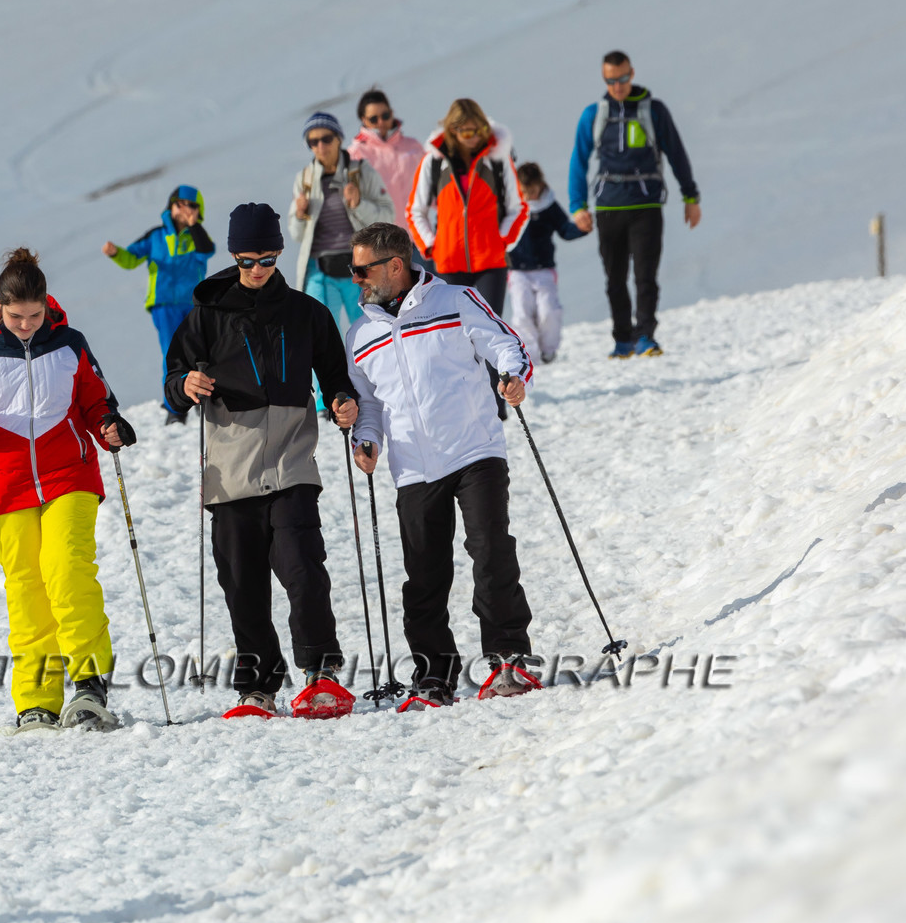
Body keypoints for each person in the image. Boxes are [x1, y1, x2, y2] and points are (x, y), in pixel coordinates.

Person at [164, 202, 360, 717]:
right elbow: (173, 383)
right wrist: (185, 385)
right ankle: (259, 687)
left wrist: (342, 401)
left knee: (303, 568)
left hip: (292, 461)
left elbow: (337, 375)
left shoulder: (307, 314)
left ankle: (320, 676)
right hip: (230, 469)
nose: (257, 270)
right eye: (248, 260)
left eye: (268, 259)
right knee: (242, 583)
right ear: (233, 255)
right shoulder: (206, 316)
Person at [344, 222, 542, 710]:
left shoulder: (456, 300)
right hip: (413, 467)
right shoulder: (360, 333)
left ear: (395, 265)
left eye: (361, 269)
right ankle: (435, 677)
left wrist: (512, 376)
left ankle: (509, 659)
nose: (355, 279)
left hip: (475, 449)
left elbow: (504, 344)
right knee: (424, 576)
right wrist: (365, 438)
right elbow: (367, 402)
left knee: (491, 552)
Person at [0, 249, 132, 732]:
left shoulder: (70, 344)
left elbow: (96, 401)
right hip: (6, 484)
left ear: (47, 304)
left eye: (34, 315)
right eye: (15, 316)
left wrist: (109, 424)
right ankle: (36, 700)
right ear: (0, 308)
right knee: (26, 593)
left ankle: (89, 683)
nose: (25, 325)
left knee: (66, 571)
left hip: (69, 473)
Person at [567, 50, 700, 358]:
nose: (618, 86)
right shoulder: (594, 114)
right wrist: (578, 206)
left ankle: (646, 337)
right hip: (608, 208)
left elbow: (677, 154)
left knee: (645, 276)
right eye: (611, 80)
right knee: (614, 278)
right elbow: (579, 161)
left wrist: (690, 197)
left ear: (632, 73)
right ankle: (622, 339)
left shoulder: (654, 111)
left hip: (646, 206)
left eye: (623, 78)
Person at [289, 112, 393, 382]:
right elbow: (296, 233)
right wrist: (300, 215)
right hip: (319, 271)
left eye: (326, 139)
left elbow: (387, 216)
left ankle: (376, 387)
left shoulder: (361, 172)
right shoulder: (305, 179)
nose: (320, 147)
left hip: (359, 269)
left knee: (372, 329)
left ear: (338, 138)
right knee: (322, 334)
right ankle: (328, 400)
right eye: (313, 142)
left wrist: (359, 204)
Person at [101, 185, 215, 425]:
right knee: (172, 353)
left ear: (199, 210)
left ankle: (199, 398)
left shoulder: (198, 237)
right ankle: (175, 406)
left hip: (193, 303)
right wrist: (115, 253)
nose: (185, 210)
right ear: (170, 206)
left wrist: (195, 226)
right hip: (163, 304)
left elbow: (207, 251)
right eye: (179, 204)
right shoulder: (155, 236)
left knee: (199, 351)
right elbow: (131, 258)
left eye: (191, 205)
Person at [406, 98, 529, 316]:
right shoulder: (434, 162)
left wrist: (502, 240)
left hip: (491, 262)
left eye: (480, 130)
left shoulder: (498, 160)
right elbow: (415, 210)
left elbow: (518, 207)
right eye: (467, 132)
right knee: (455, 333)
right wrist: (432, 246)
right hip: (448, 264)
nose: (476, 138)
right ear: (453, 131)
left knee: (490, 330)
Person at [506, 162, 588, 364]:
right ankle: (530, 355)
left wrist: (582, 228)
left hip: (544, 269)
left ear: (541, 185)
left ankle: (548, 350)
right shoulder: (511, 206)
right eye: (524, 191)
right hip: (517, 271)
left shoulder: (548, 206)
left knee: (548, 311)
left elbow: (564, 230)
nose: (528, 196)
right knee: (522, 313)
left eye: (532, 191)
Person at [347, 89, 426, 236]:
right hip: (382, 245)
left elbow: (432, 188)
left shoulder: (413, 147)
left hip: (418, 237)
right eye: (373, 119)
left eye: (385, 115)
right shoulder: (355, 155)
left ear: (391, 112)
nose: (381, 122)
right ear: (364, 120)